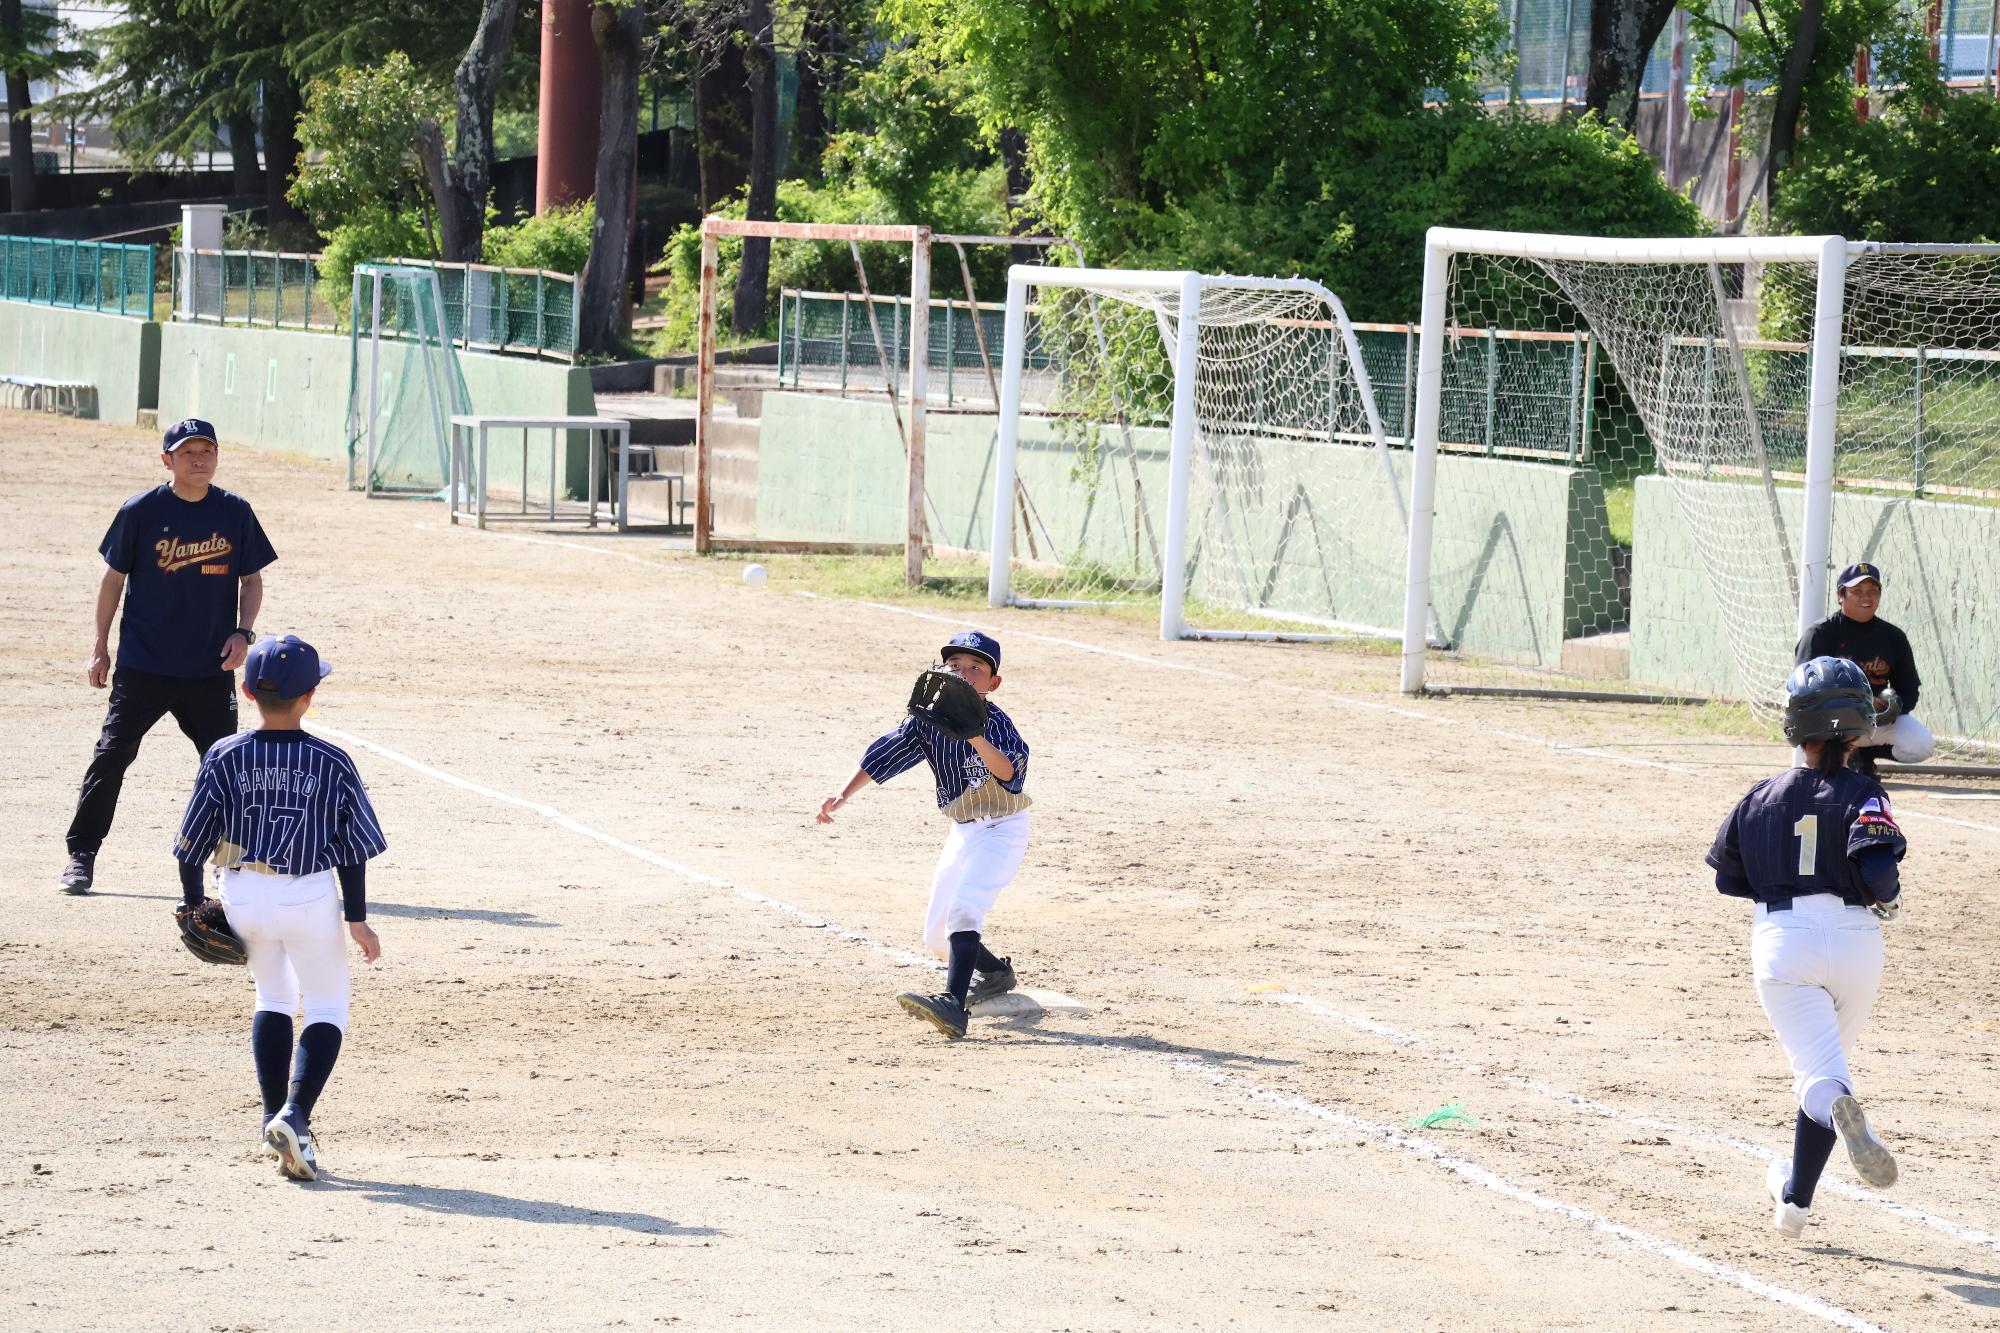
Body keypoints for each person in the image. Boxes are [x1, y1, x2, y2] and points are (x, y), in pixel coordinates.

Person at [172, 635, 387, 1182]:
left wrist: (194, 903)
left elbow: (192, 842)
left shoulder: (224, 754)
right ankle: (295, 1114)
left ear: (247, 691)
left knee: (272, 996)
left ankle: (276, 1122)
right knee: (326, 1004)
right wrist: (356, 918)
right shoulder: (332, 760)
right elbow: (353, 848)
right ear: (310, 696)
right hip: (307, 894)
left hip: (242, 890)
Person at [1706, 656, 1906, 1239]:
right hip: (1856, 944)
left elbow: (1727, 877)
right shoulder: (1868, 793)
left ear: (1798, 725)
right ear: (1858, 725)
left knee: (1821, 1080)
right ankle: (1795, 1203)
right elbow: (1879, 876)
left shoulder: (1761, 794)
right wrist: (1885, 897)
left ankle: (1823, 1143)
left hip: (1784, 943)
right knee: (1827, 1072)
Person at [60, 418, 277, 894]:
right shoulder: (140, 511)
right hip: (144, 665)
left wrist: (243, 632)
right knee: (111, 757)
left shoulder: (235, 511)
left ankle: (229, 860)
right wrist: (100, 647)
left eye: (207, 451)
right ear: (167, 460)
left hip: (208, 668)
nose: (199, 459)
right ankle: (81, 855)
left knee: (225, 768)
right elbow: (113, 581)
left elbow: (252, 578)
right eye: (187, 452)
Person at [816, 631, 1031, 1039]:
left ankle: (953, 1006)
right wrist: (843, 794)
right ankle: (996, 973)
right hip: (963, 831)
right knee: (937, 937)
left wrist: (973, 734)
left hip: (1003, 829)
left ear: (993, 683)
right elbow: (886, 753)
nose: (963, 675)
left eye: (976, 669)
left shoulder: (996, 722)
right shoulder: (927, 722)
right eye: (954, 666)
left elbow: (1010, 774)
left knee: (965, 907)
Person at [1796, 561, 1934, 774]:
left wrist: (1894, 707)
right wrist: (1855, 700)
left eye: (1873, 591)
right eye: (1857, 591)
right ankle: (1837, 759)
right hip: (1833, 719)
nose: (1866, 597)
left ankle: (1863, 756)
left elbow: (1909, 688)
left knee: (1921, 744)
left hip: (1875, 719)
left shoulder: (1893, 637)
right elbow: (1804, 687)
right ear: (1840, 596)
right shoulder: (1821, 634)